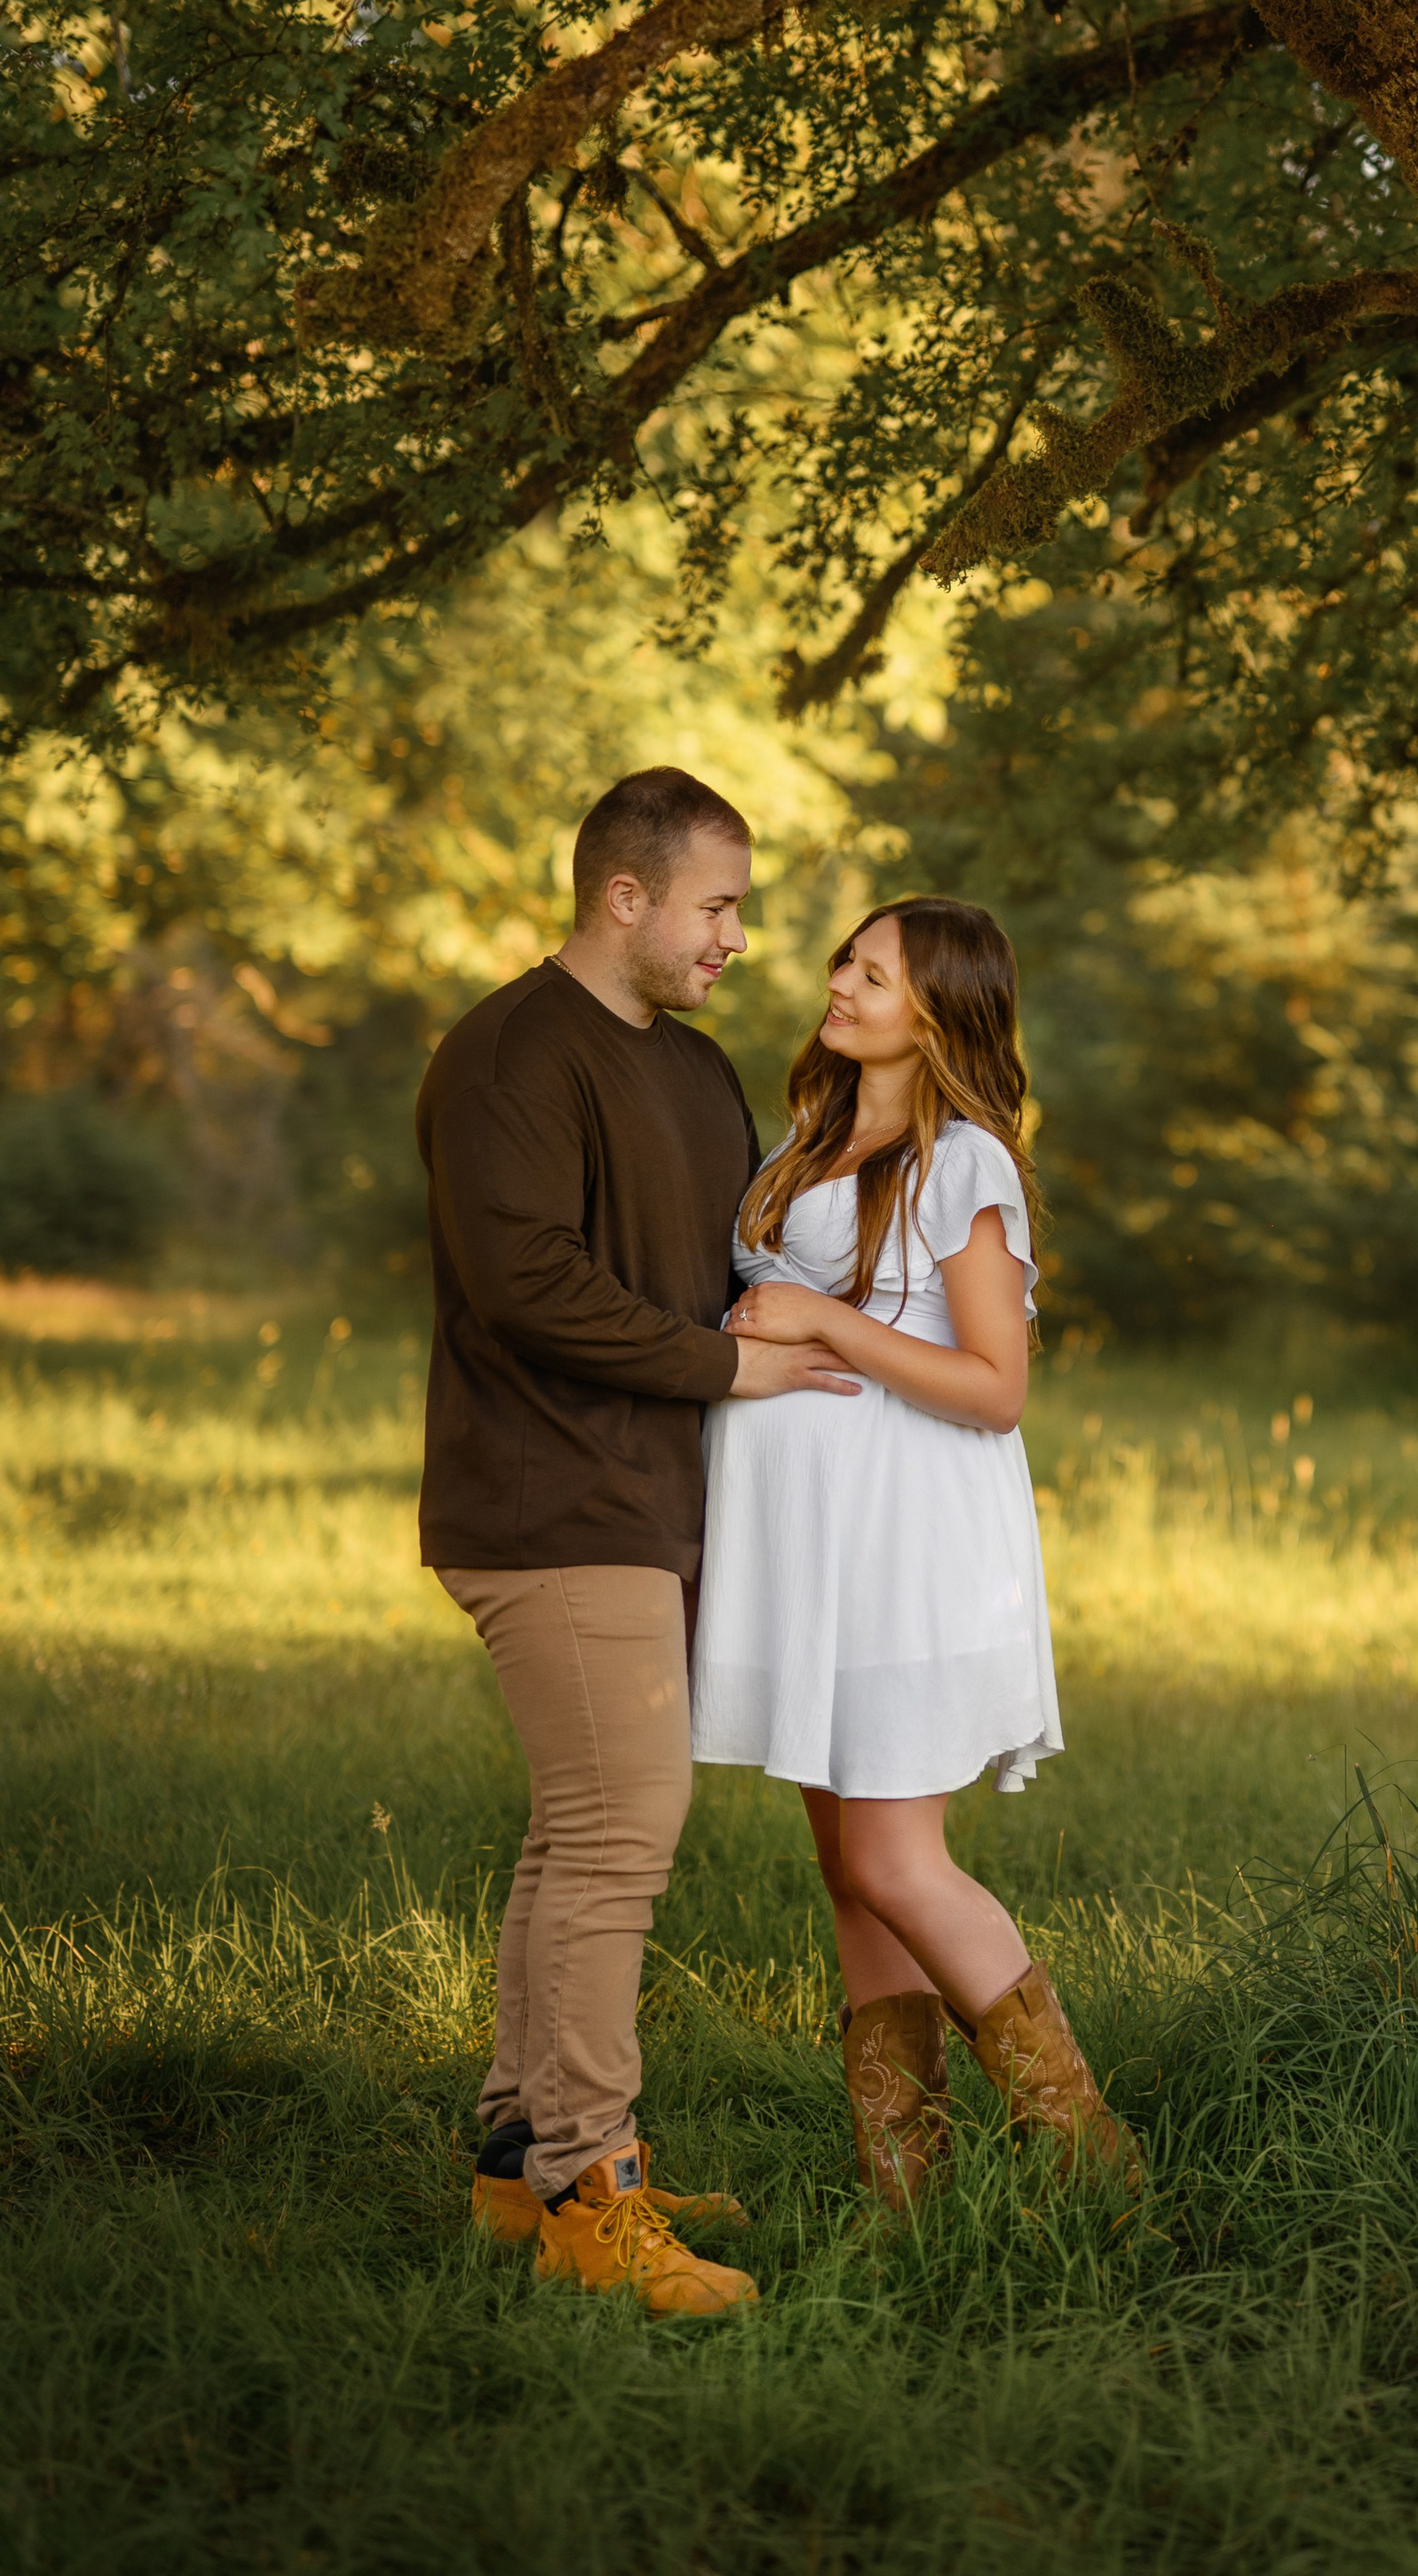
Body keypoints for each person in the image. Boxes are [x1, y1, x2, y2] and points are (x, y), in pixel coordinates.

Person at [416, 764, 859, 2318]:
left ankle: (517, 2166)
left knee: (573, 1833)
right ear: (627, 897)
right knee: (619, 1838)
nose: (737, 937)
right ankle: (595, 2193)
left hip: (652, 1500)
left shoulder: (695, 1067)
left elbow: (735, 1254)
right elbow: (528, 1285)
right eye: (718, 905)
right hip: (549, 1499)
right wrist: (734, 1366)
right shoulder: (507, 1058)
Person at [690, 896, 1138, 2212]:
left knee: (895, 1858)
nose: (839, 985)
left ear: (938, 1010)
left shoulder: (964, 1162)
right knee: (847, 1869)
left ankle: (1090, 2161)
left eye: (872, 974)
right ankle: (910, 2193)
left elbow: (996, 1385)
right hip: (811, 1555)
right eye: (844, 961)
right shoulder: (819, 1134)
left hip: (904, 1545)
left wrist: (823, 1326)